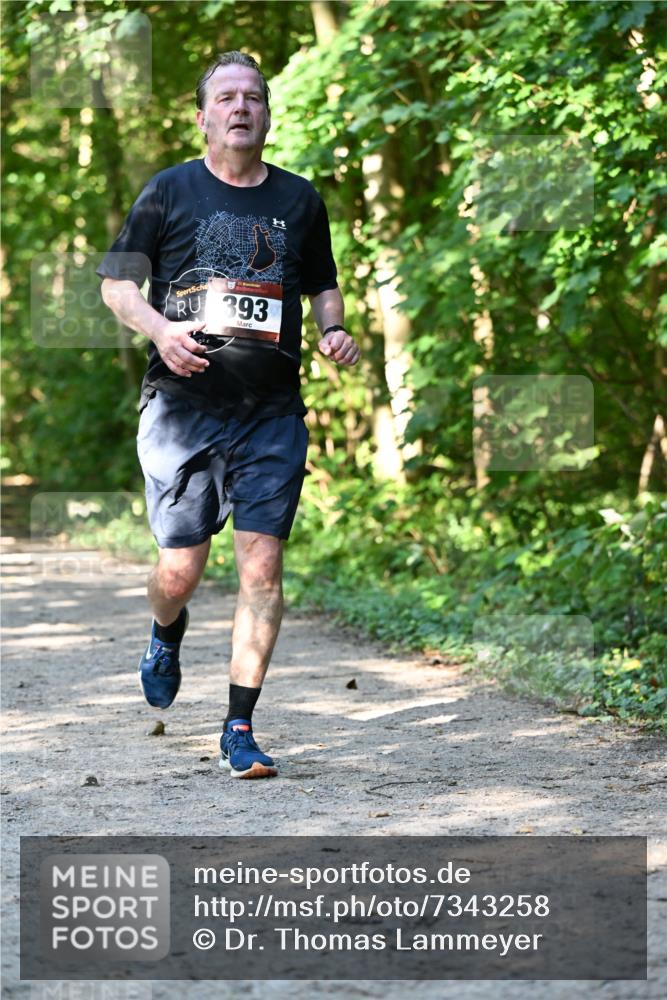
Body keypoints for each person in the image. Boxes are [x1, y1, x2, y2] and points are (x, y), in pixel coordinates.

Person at [97, 51, 360, 779]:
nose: (241, 107)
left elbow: (323, 285)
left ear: (267, 114)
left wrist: (334, 328)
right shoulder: (168, 190)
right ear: (203, 116)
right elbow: (118, 287)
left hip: (271, 413)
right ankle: (163, 630)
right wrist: (160, 332)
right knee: (178, 572)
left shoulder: (301, 199)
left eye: (253, 97)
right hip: (182, 411)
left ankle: (238, 726)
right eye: (226, 97)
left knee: (263, 566)